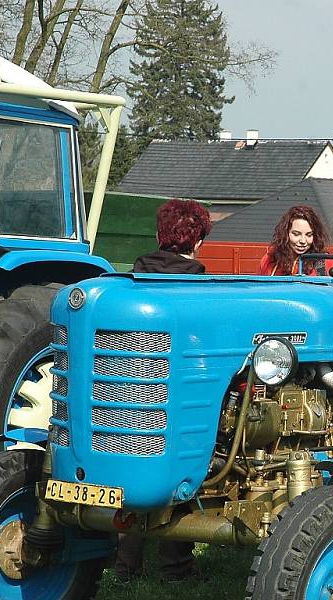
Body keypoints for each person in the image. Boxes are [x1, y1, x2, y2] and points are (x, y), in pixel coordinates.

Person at [115, 198, 212, 583]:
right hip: (173, 404)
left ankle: (125, 568)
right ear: (198, 242)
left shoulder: (131, 284)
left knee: (131, 480)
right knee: (187, 471)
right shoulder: (198, 290)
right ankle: (175, 568)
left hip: (121, 403)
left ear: (159, 237)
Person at [257, 205, 333, 276]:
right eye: (296, 234)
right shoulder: (271, 259)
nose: (303, 241)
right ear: (285, 234)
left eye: (309, 235)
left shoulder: (324, 262)